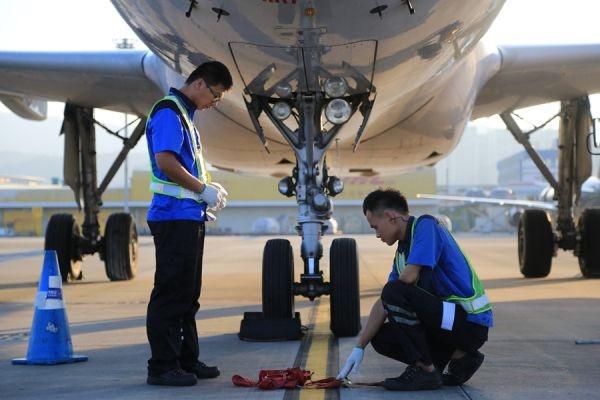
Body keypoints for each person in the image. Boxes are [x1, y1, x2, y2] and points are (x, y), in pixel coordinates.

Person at [337, 189, 493, 391]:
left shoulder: (426, 226)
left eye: (375, 227)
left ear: (390, 216)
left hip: (468, 324)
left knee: (394, 292)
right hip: (446, 323)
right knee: (380, 338)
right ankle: (461, 357)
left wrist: (391, 297)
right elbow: (385, 302)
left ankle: (425, 371)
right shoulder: (402, 252)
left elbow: (404, 283)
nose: (376, 234)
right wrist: (359, 347)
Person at [144, 61, 233, 386]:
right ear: (199, 85)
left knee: (187, 294)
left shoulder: (185, 116)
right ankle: (162, 367)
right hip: (173, 217)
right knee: (171, 293)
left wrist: (206, 191)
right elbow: (165, 161)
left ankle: (186, 360)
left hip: (188, 217)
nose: (214, 103)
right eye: (216, 95)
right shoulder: (170, 112)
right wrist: (202, 189)